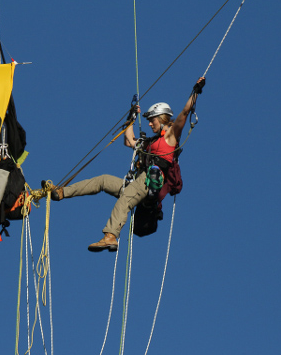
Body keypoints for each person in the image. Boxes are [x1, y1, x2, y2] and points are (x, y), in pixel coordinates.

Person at [45, 77, 205, 252]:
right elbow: (129, 141)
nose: (150, 123)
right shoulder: (149, 143)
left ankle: (111, 236)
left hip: (151, 179)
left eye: (153, 120)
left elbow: (184, 113)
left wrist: (195, 91)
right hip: (139, 181)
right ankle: (62, 192)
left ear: (162, 118)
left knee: (125, 200)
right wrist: (131, 118)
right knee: (103, 180)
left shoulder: (170, 136)